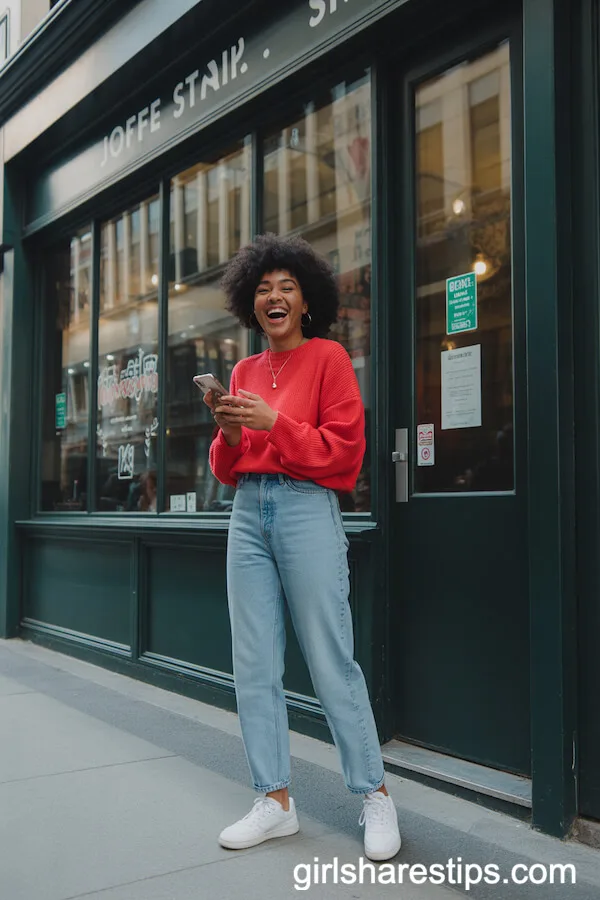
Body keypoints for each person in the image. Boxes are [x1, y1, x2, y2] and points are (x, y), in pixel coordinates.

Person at [206, 233, 401, 861]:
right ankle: (275, 800)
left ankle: (374, 793)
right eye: (263, 288)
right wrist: (231, 432)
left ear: (307, 299)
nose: (274, 296)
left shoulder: (329, 359)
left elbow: (345, 455)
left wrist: (274, 424)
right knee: (254, 660)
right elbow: (226, 467)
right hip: (247, 511)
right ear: (250, 303)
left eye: (286, 286)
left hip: (306, 509)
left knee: (329, 656)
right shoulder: (243, 370)